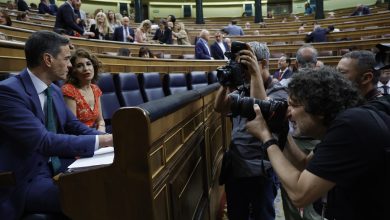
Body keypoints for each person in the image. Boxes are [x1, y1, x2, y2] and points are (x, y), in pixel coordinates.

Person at [246, 66, 388, 220]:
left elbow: (299, 195)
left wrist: (266, 137)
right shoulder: (346, 123)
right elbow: (305, 164)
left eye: (293, 105)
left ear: (319, 108)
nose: (288, 112)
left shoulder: (350, 127)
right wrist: (281, 132)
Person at [0, 30, 113, 219]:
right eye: (67, 59)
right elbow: (43, 141)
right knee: (95, 196)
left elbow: (73, 125)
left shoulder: (53, 88)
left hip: (60, 166)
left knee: (110, 179)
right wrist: (103, 140)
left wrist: (112, 140)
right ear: (48, 59)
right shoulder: (8, 93)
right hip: (25, 180)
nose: (70, 65)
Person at [214, 42, 278, 220]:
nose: (242, 70)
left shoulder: (278, 90)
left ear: (263, 64)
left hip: (261, 169)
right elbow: (220, 107)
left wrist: (254, 73)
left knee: (262, 216)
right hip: (237, 167)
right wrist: (226, 80)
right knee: (237, 215)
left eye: (245, 65)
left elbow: (259, 111)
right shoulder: (243, 89)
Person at [61, 48, 105, 132]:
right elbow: (73, 127)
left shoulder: (95, 89)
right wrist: (98, 137)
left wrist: (101, 132)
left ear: (94, 67)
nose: (86, 69)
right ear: (73, 71)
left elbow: (100, 121)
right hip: (79, 138)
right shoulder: (68, 90)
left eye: (88, 64)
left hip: (97, 137)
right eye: (79, 66)